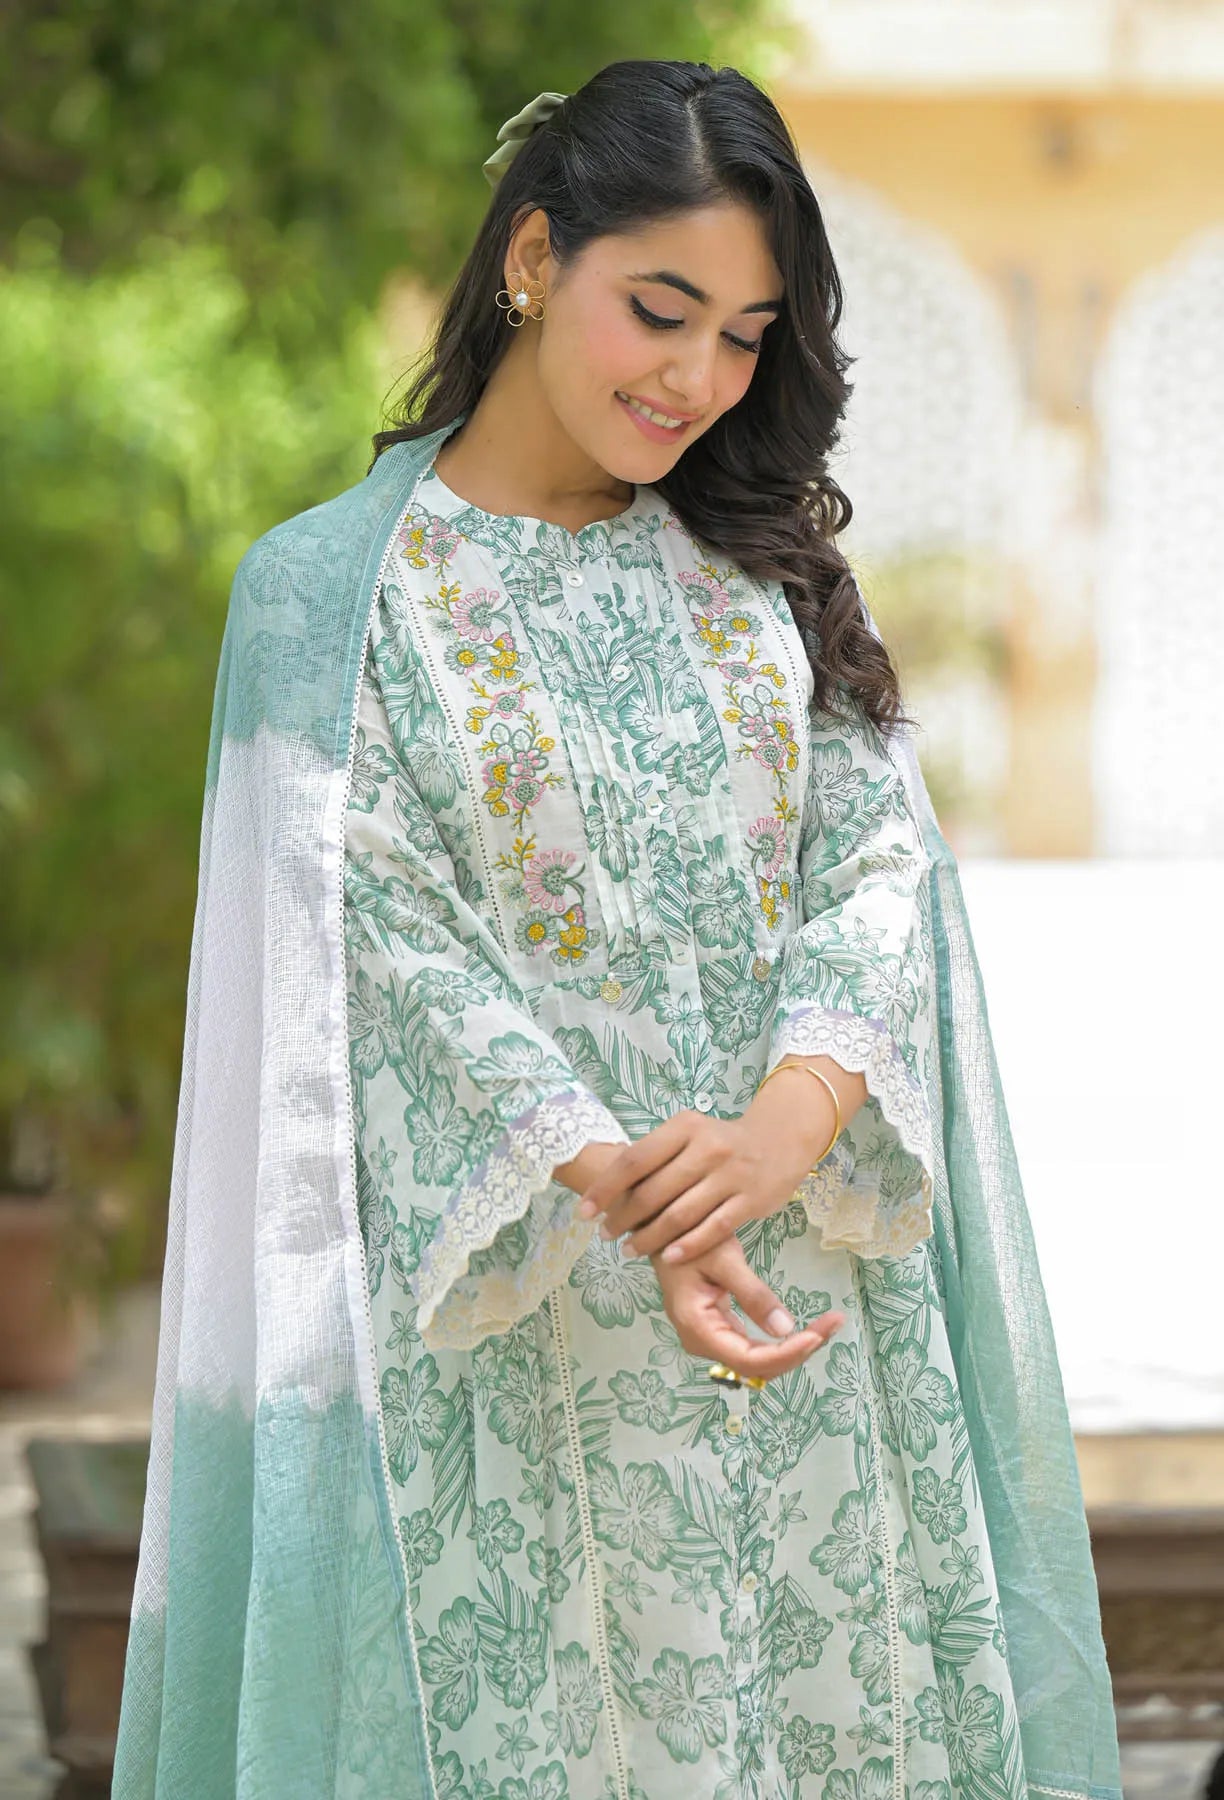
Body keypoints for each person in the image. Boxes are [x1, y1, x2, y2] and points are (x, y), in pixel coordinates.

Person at [114, 59, 1121, 1800]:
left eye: (743, 336)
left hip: (802, 1312)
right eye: (660, 312)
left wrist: (786, 1127)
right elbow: (369, 922)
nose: (695, 380)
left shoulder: (763, 567)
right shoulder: (325, 594)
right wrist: (611, 1175)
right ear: (530, 260)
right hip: (522, 1326)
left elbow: (877, 868)